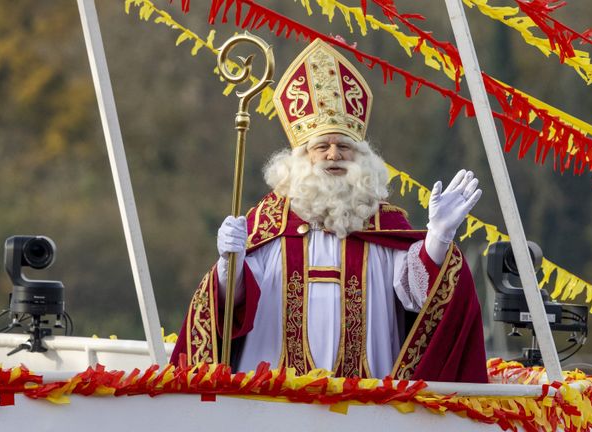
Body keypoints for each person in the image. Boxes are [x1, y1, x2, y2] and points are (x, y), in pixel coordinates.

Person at [171, 39, 487, 383]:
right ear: (301, 159)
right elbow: (235, 305)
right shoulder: (267, 224)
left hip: (366, 402)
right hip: (272, 402)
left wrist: (438, 239)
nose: (333, 155)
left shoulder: (383, 224)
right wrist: (227, 264)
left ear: (362, 158)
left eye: (344, 147)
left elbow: (416, 297)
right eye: (321, 146)